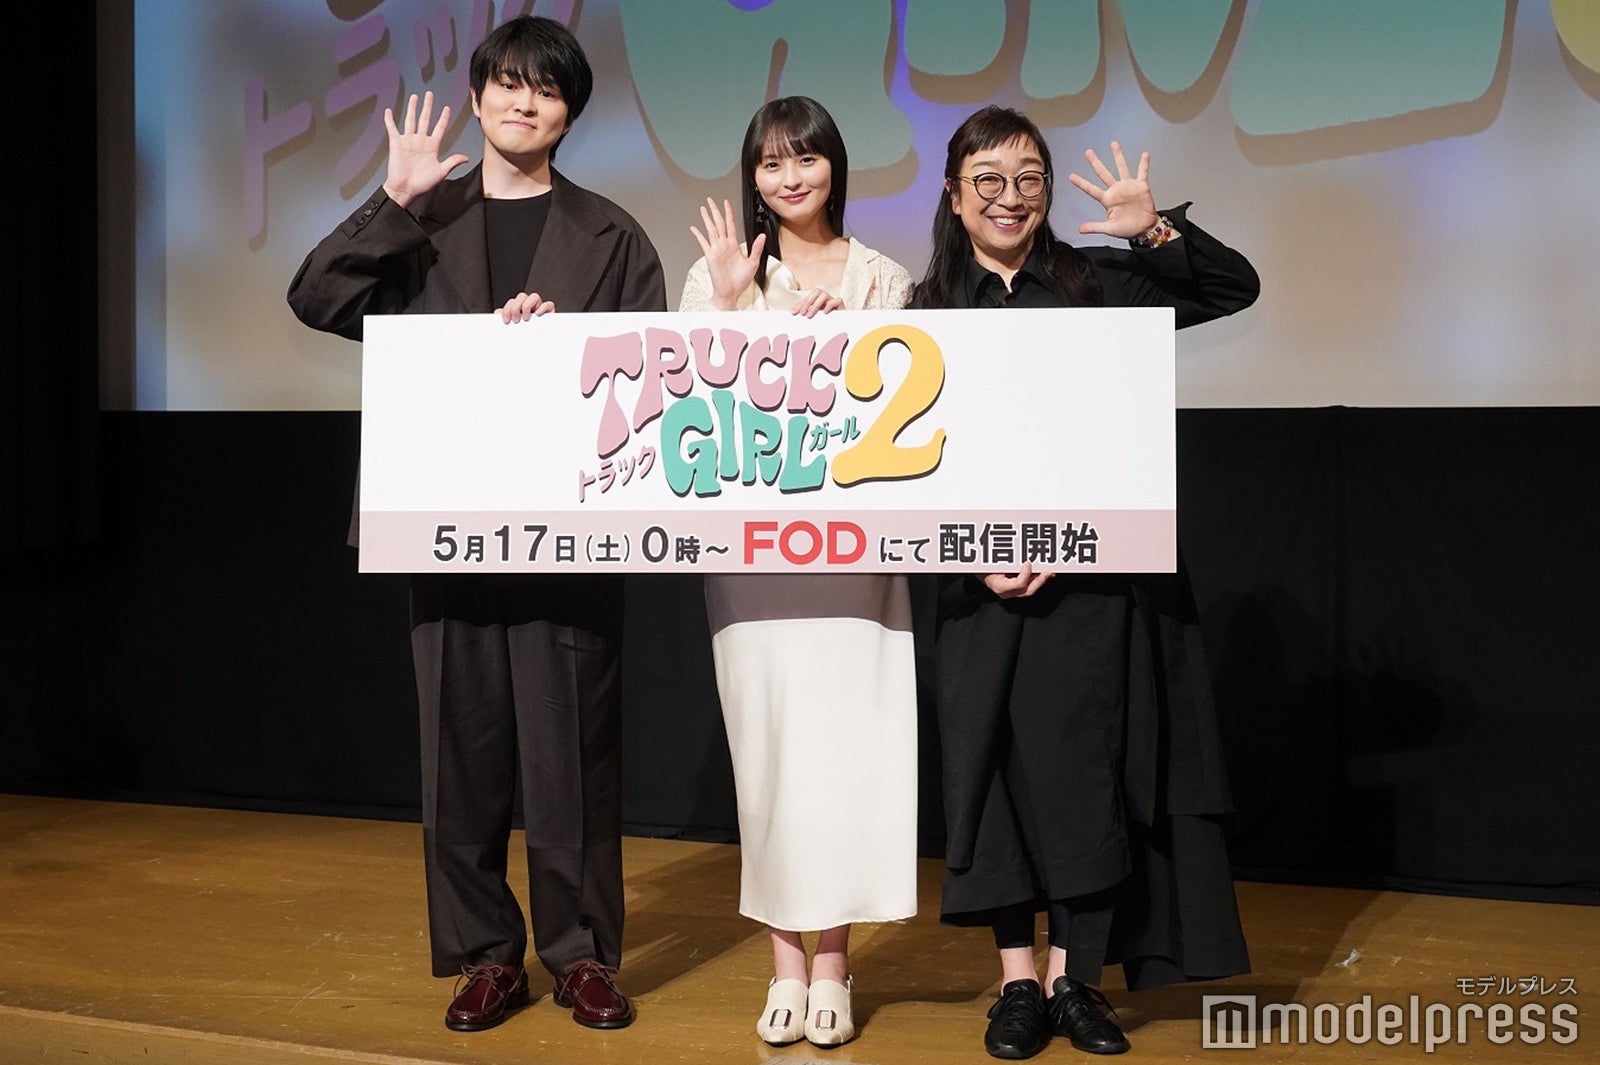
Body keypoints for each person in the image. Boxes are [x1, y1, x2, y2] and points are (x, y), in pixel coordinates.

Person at [286, 16, 665, 1035]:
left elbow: (648, 382)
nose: (523, 102)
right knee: (461, 751)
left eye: (546, 89)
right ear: (478, 94)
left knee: (571, 750)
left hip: (566, 530)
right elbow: (315, 298)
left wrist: (565, 352)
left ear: (570, 113)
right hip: (443, 517)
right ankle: (486, 955)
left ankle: (580, 953)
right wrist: (395, 197)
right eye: (507, 83)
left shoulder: (612, 234)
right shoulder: (425, 219)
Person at [909, 106, 1258, 1059]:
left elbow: (1233, 287)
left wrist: (1153, 230)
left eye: (1028, 178)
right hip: (975, 586)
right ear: (953, 195)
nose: (1010, 197)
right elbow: (902, 469)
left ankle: (1074, 981)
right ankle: (1016, 984)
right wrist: (970, 552)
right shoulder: (921, 311)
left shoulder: (1098, 283)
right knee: (990, 778)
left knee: (1082, 779)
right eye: (987, 179)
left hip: (1089, 587)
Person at [678, 96, 917, 1048]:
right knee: (770, 751)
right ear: (753, 177)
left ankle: (833, 964)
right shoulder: (718, 272)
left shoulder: (883, 277)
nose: (790, 177)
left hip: (857, 551)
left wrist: (844, 339)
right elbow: (685, 406)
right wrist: (733, 305)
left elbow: (907, 409)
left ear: (834, 166)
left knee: (851, 754)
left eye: (806, 158)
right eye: (772, 163)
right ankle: (784, 961)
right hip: (753, 553)